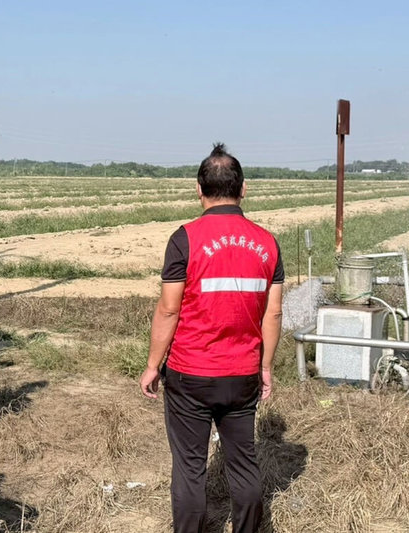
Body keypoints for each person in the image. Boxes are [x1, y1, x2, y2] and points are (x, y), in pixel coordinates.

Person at [140, 143, 284, 533]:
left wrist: (153, 365)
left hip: (190, 374)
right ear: (244, 189)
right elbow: (273, 313)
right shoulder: (267, 243)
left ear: (199, 190)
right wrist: (265, 367)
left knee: (190, 468)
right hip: (243, 374)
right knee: (244, 463)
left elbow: (168, 310)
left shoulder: (184, 239)